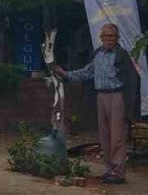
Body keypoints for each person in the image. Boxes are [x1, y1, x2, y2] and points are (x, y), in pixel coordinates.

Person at [53, 24, 141, 184]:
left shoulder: (121, 55)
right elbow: (87, 72)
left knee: (117, 136)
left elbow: (132, 79)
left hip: (117, 95)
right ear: (101, 38)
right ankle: (109, 169)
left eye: (112, 36)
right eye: (106, 36)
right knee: (104, 134)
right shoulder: (98, 54)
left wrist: (131, 104)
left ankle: (118, 171)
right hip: (101, 95)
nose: (109, 39)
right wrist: (65, 74)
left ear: (117, 38)